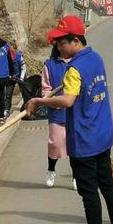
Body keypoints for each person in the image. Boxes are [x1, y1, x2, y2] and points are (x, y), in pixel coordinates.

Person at [27, 15, 113, 224]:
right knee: (107, 184)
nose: (58, 47)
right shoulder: (94, 58)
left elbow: (66, 101)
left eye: (61, 42)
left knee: (88, 191)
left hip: (85, 137)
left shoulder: (74, 68)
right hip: (102, 133)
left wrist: (40, 100)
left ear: (75, 40)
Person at [41, 43, 76, 190]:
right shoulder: (49, 65)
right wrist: (51, 101)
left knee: (75, 144)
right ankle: (51, 170)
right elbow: (46, 89)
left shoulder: (77, 62)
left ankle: (76, 176)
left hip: (76, 111)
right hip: (57, 111)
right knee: (55, 143)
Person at [4, 44, 27, 118]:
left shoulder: (18, 56)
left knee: (25, 91)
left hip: (20, 75)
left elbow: (23, 68)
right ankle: (7, 109)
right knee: (8, 94)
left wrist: (21, 78)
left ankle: (27, 105)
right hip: (10, 77)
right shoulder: (4, 58)